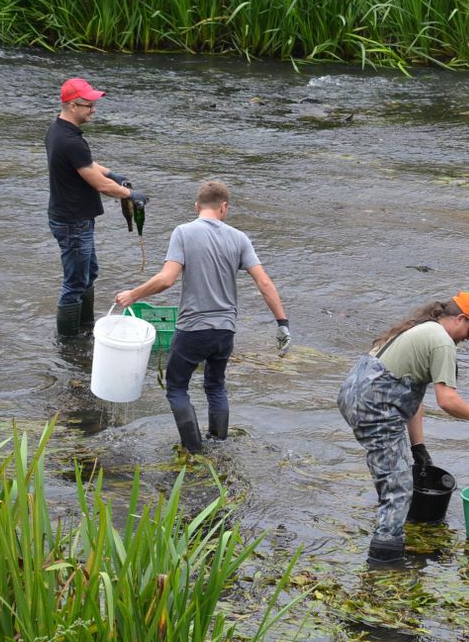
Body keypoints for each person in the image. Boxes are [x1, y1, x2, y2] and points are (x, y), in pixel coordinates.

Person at [114, 181, 291, 452]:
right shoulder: (240, 238)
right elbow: (264, 283)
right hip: (225, 331)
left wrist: (133, 295)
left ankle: (194, 451)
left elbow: (167, 279)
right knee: (216, 385)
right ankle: (219, 445)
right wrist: (282, 324)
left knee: (176, 387)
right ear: (224, 207)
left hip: (193, 329)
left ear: (197, 206)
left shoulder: (183, 232)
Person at [337, 292, 469, 565]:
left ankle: (389, 542)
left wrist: (418, 447)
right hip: (375, 406)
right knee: (399, 488)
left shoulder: (422, 329)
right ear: (461, 318)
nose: (467, 338)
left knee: (395, 475)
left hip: (356, 396)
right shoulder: (442, 342)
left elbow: (411, 395)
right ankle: (385, 560)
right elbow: (447, 401)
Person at [46, 77, 148, 337]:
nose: (93, 110)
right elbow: (99, 185)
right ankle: (69, 343)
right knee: (75, 282)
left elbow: (89, 166)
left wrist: (114, 174)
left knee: (88, 273)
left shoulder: (59, 131)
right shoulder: (70, 140)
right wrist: (130, 193)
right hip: (73, 222)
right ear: (71, 105)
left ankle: (86, 327)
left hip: (73, 218)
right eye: (88, 105)